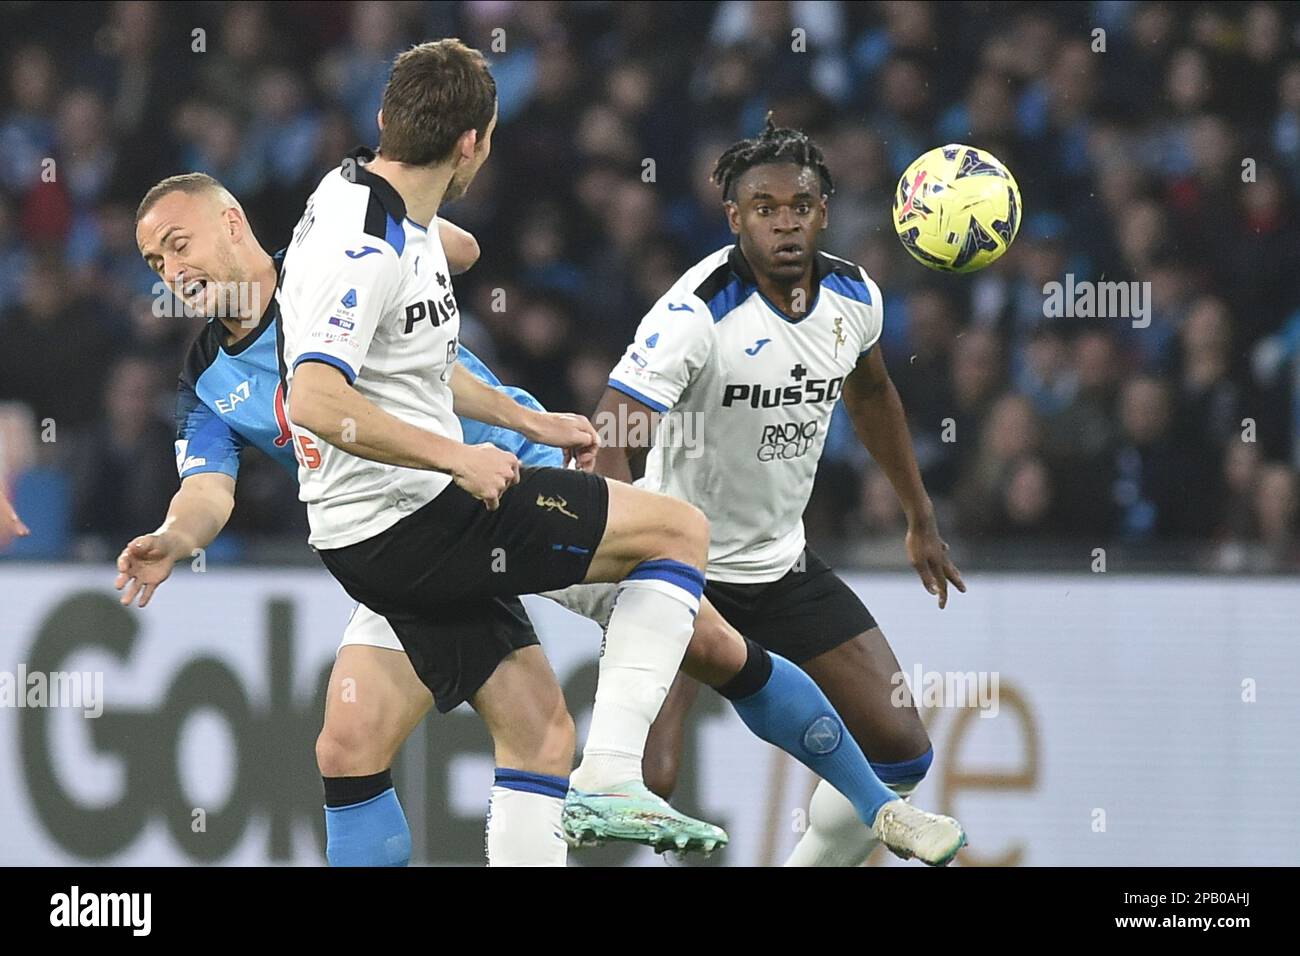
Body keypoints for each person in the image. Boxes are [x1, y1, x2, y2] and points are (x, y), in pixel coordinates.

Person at [592, 116, 968, 867]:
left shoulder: (855, 296)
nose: (785, 221)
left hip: (780, 566)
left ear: (824, 210)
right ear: (735, 219)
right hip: (681, 571)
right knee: (640, 786)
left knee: (900, 749)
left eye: (800, 204)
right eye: (764, 208)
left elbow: (871, 395)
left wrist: (920, 517)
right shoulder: (694, 312)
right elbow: (612, 437)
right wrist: (634, 562)